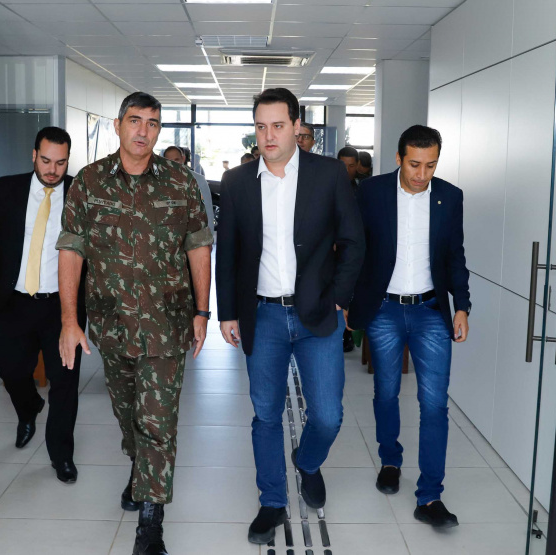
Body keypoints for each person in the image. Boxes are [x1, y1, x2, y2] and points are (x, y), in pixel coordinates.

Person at [57, 92, 214, 555]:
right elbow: (71, 250)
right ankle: (139, 466)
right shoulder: (88, 182)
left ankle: (151, 526)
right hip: (111, 324)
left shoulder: (181, 183)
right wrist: (70, 320)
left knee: (159, 424)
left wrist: (202, 312)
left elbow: (199, 247)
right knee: (129, 418)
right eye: (135, 120)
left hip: (167, 326)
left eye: (152, 122)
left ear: (160, 130)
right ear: (118, 124)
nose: (143, 130)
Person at [216, 88, 365, 545]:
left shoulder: (328, 175)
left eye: (278, 126)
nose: (268, 136)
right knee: (265, 414)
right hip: (261, 315)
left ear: (298, 126)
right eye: (260, 127)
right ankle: (272, 500)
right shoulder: (239, 181)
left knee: (327, 415)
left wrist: (339, 299)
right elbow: (230, 254)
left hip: (317, 315)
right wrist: (227, 313)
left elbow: (354, 241)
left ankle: (307, 461)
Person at [347, 125, 471, 530]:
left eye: (431, 165)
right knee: (386, 391)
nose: (422, 174)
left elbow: (455, 255)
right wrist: (347, 300)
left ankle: (430, 495)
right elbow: (354, 249)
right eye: (415, 164)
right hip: (383, 309)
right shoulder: (371, 193)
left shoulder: (449, 197)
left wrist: (462, 306)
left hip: (431, 312)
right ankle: (390, 459)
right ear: (399, 158)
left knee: (434, 403)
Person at [0, 126, 85, 484]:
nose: (53, 169)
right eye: (46, 160)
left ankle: (61, 456)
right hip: (15, 301)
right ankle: (29, 409)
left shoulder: (80, 193)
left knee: (65, 382)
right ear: (33, 154)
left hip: (61, 307)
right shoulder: (7, 188)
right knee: (8, 370)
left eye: (60, 162)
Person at [336, 146, 362, 353]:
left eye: (351, 166)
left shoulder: (362, 190)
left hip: (355, 251)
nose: (347, 170)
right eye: (343, 166)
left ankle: (350, 333)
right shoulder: (328, 187)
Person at [164, 146, 214, 232]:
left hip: (193, 236)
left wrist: (209, 238)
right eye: (169, 161)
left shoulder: (198, 180)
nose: (173, 164)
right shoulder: (159, 181)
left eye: (176, 160)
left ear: (183, 159)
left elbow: (208, 211)